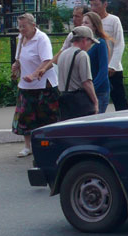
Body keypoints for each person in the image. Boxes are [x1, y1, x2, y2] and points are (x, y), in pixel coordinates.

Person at [11, 13, 59, 157]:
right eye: (19, 26)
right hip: (26, 85)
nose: (21, 29)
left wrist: (34, 74)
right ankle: (28, 147)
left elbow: (48, 62)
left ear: (33, 25)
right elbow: (19, 58)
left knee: (47, 117)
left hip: (44, 85)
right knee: (25, 117)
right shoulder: (21, 38)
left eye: (24, 26)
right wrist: (16, 65)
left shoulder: (42, 39)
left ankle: (49, 146)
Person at [89, 0, 128, 111]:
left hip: (113, 69)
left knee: (119, 99)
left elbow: (119, 43)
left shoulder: (113, 20)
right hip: (96, 68)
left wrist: (112, 66)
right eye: (91, 5)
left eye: (96, 5)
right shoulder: (90, 21)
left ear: (105, 4)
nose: (93, 8)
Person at [55, 26, 99, 120]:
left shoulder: (63, 54)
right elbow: (86, 82)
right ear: (84, 40)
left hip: (64, 99)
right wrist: (95, 102)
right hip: (78, 102)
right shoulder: (82, 55)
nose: (90, 46)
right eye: (90, 42)